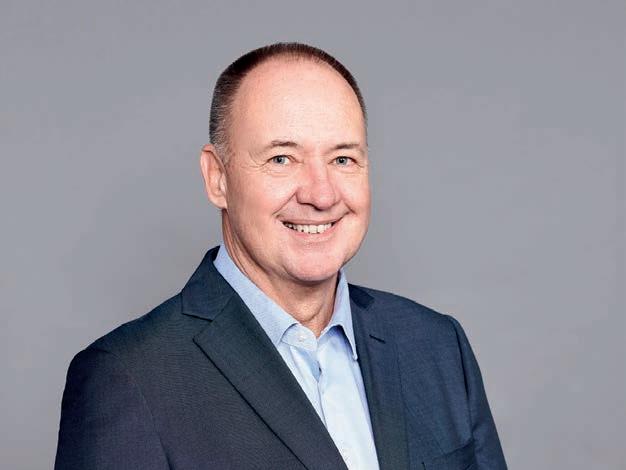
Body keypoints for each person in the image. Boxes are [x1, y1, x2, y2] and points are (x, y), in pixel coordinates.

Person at [55, 42, 507, 470]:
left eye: (343, 159)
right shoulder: (130, 378)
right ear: (217, 178)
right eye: (282, 159)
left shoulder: (436, 346)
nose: (321, 194)